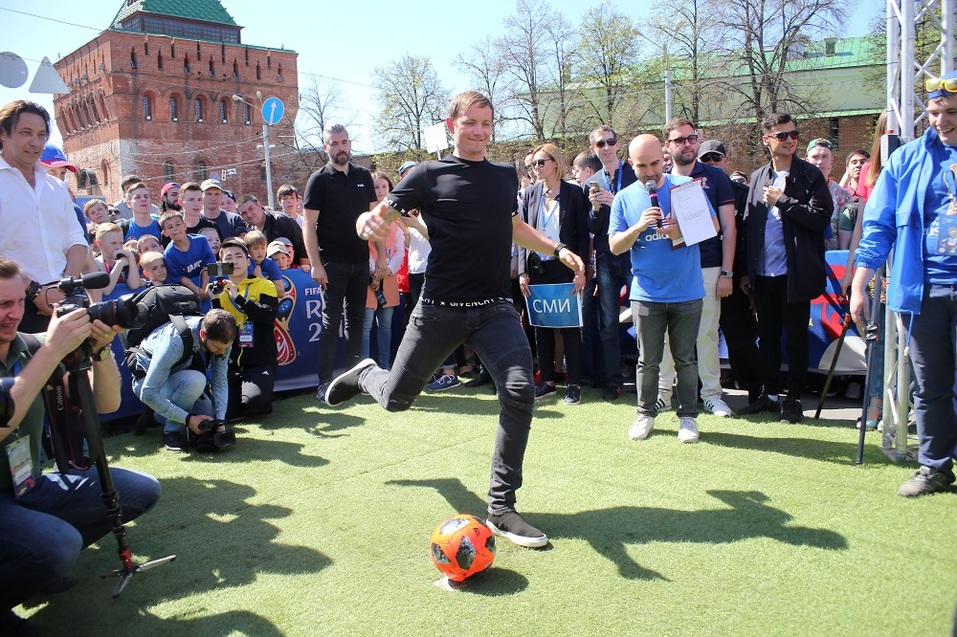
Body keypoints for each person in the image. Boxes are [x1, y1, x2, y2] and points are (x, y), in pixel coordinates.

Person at [324, 91, 585, 549]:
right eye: (470, 123)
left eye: (486, 123)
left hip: (494, 308)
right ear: (452, 125)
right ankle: (366, 374)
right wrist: (368, 223)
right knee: (396, 400)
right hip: (439, 310)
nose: (479, 132)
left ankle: (501, 507)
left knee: (520, 390)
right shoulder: (427, 174)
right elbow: (379, 215)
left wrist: (557, 248)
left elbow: (513, 227)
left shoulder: (504, 175)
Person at [0, 257, 161, 635]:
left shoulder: (29, 348)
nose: (14, 314)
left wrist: (100, 350)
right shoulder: (42, 351)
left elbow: (106, 403)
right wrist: (52, 350)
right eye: (2, 304)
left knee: (138, 491)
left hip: (27, 484)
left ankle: (32, 567)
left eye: (19, 302)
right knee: (58, 545)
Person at [850, 72, 957, 497]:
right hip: (923, 289)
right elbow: (878, 227)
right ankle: (935, 467)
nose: (941, 121)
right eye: (934, 112)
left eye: (951, 112)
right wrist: (860, 282)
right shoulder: (907, 159)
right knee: (929, 385)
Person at [609, 135, 719, 444]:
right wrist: (638, 227)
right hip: (646, 294)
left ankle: (688, 417)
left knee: (686, 359)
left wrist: (679, 231)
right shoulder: (624, 197)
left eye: (655, 163)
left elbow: (712, 227)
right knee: (648, 361)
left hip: (687, 291)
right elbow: (615, 246)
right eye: (642, 166)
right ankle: (645, 414)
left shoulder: (685, 187)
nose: (650, 172)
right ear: (632, 164)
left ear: (664, 158)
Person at [738, 113, 832, 423]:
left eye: (794, 134)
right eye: (782, 135)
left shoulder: (809, 174)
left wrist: (783, 201)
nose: (790, 140)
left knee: (796, 339)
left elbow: (820, 218)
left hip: (795, 275)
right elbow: (748, 226)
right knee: (766, 337)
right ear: (766, 139)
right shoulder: (758, 176)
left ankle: (794, 399)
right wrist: (746, 271)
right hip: (763, 275)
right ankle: (769, 394)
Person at [656, 119, 737, 418]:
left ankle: (712, 395)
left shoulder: (715, 176)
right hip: (672, 268)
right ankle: (663, 394)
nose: (687, 144)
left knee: (706, 334)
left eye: (691, 138)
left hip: (708, 266)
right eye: (679, 140)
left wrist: (727, 272)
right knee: (666, 335)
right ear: (668, 146)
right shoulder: (661, 180)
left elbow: (728, 228)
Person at [302, 123, 381, 400]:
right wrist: (316, 264)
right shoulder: (318, 180)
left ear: (350, 144)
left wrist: (381, 258)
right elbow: (308, 226)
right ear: (326, 147)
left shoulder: (363, 176)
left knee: (357, 323)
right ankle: (324, 383)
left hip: (360, 262)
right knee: (330, 323)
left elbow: (375, 222)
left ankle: (353, 380)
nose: (340, 148)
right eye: (334, 143)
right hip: (331, 264)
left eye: (344, 142)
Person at [0, 100, 88, 333]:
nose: (35, 142)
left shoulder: (56, 187)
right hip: (10, 306)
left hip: (63, 301)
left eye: (41, 135)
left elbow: (77, 241)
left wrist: (64, 287)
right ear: (3, 134)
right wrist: (34, 291)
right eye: (25, 132)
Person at [517, 143, 588, 404]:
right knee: (541, 327)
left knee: (570, 327)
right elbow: (522, 235)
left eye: (540, 162)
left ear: (555, 163)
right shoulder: (530, 193)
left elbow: (582, 235)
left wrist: (581, 270)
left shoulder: (574, 193)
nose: (535, 168)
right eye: (533, 164)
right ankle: (547, 381)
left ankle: (574, 384)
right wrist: (523, 271)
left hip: (566, 266)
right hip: (539, 268)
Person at [697, 140, 763, 403]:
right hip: (702, 270)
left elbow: (747, 237)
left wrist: (743, 274)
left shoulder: (741, 193)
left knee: (740, 335)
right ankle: (699, 390)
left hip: (732, 275)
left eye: (717, 158)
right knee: (700, 334)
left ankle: (754, 390)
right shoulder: (690, 191)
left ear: (726, 161)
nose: (712, 163)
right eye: (706, 159)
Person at [583, 125, 638, 401]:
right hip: (606, 256)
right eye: (600, 144)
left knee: (644, 317)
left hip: (634, 253)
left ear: (618, 144)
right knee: (607, 323)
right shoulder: (591, 182)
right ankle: (612, 381)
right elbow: (592, 227)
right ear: (593, 149)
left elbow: (641, 215)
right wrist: (595, 208)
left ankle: (647, 380)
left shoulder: (634, 174)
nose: (606, 147)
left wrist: (615, 201)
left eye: (610, 142)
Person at [132, 308, 236, 452]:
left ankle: (156, 415)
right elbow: (148, 393)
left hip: (179, 379)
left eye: (226, 347)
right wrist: (188, 420)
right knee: (195, 381)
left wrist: (220, 420)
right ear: (203, 334)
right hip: (146, 383)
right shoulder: (175, 340)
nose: (222, 352)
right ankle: (172, 432)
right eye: (218, 347)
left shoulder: (222, 342)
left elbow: (220, 381)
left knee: (208, 419)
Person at [211, 239, 279, 419]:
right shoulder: (219, 290)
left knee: (256, 402)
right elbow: (217, 330)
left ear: (248, 261)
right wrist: (215, 301)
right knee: (225, 413)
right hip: (230, 363)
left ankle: (260, 395)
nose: (234, 261)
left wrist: (239, 299)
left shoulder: (265, 285)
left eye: (239, 256)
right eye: (229, 258)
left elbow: (267, 316)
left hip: (259, 361)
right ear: (221, 264)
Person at [362, 173, 405, 369]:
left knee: (386, 326)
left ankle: (384, 365)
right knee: (366, 326)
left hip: (388, 277)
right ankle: (365, 370)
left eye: (383, 187)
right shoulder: (364, 217)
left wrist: (387, 270)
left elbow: (400, 250)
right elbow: (362, 248)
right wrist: (374, 272)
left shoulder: (395, 218)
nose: (380, 191)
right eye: (376, 187)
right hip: (368, 278)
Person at [805, 138, 852, 250]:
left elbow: (845, 233)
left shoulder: (843, 195)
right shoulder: (798, 190)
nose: (820, 162)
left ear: (831, 160)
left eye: (825, 156)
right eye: (815, 157)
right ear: (807, 160)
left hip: (832, 255)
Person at [236, 194, 308, 264]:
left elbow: (303, 248)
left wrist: (304, 270)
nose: (249, 215)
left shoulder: (281, 220)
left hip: (291, 271)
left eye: (251, 209)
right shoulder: (246, 231)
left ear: (258, 204)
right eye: (244, 213)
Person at [160, 211, 215, 301]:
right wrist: (198, 291)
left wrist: (205, 289)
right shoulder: (169, 254)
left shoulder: (201, 240)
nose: (175, 229)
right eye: (170, 227)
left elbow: (208, 265)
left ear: (185, 225)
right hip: (190, 290)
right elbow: (179, 277)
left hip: (208, 281)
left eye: (178, 224)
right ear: (165, 233)